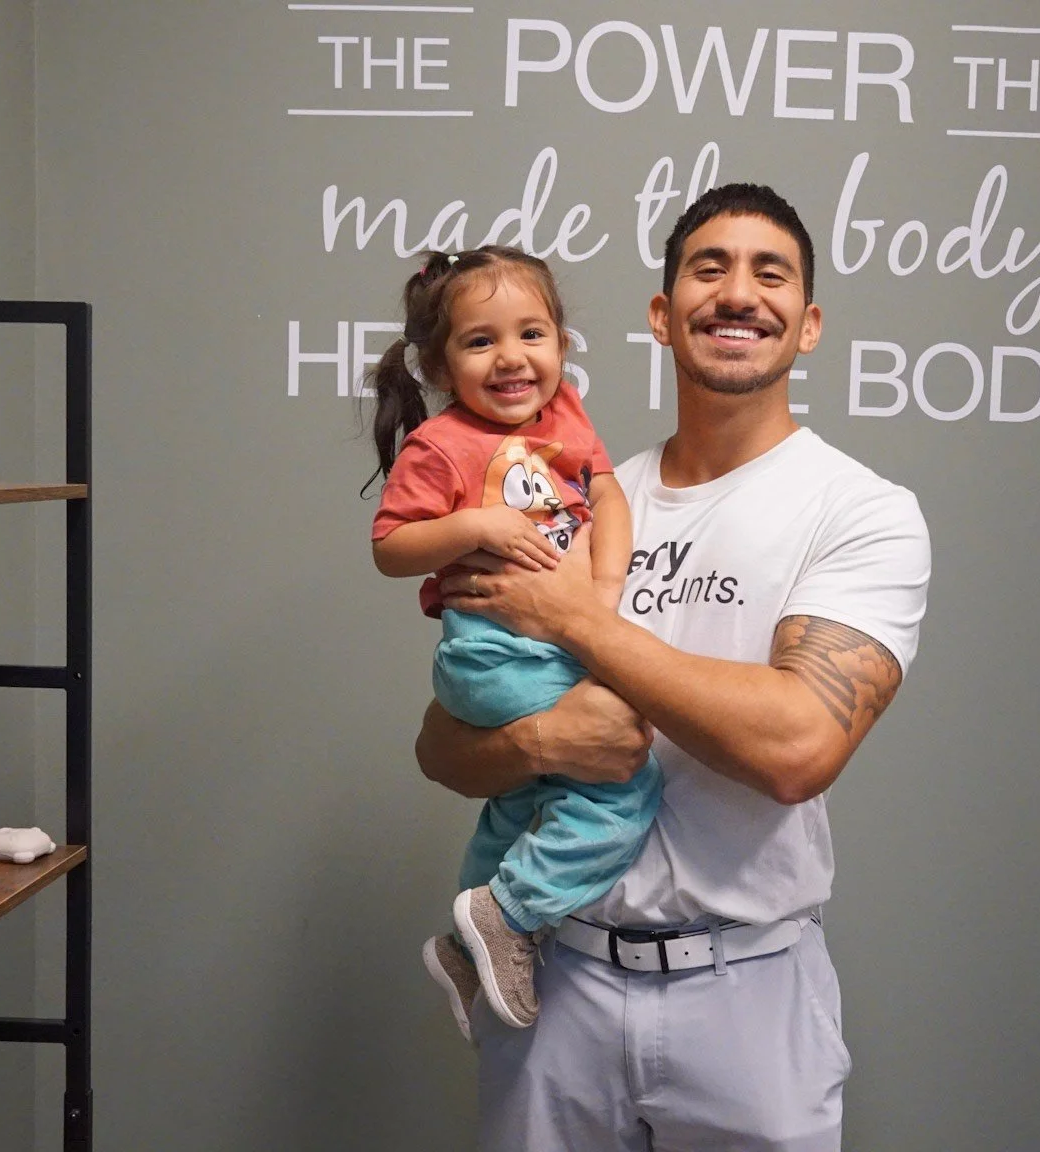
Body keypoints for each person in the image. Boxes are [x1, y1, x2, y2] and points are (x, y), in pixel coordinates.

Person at [417, 184, 932, 1151]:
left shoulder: (860, 511)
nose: (738, 293)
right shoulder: (565, 497)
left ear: (808, 324)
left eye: (768, 273)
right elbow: (444, 745)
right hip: (552, 981)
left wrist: (579, 619)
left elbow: (796, 747)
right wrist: (538, 737)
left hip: (749, 991)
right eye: (709, 269)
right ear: (662, 315)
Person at [365, 245, 666, 1038]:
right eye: (480, 341)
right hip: (494, 654)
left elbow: (605, 491)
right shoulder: (441, 446)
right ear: (438, 363)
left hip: (551, 644)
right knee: (622, 786)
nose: (512, 358)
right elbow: (391, 548)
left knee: (523, 804)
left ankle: (468, 948)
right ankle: (509, 917)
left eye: (532, 333)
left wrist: (598, 594)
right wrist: (472, 524)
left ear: (562, 344)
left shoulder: (563, 411)